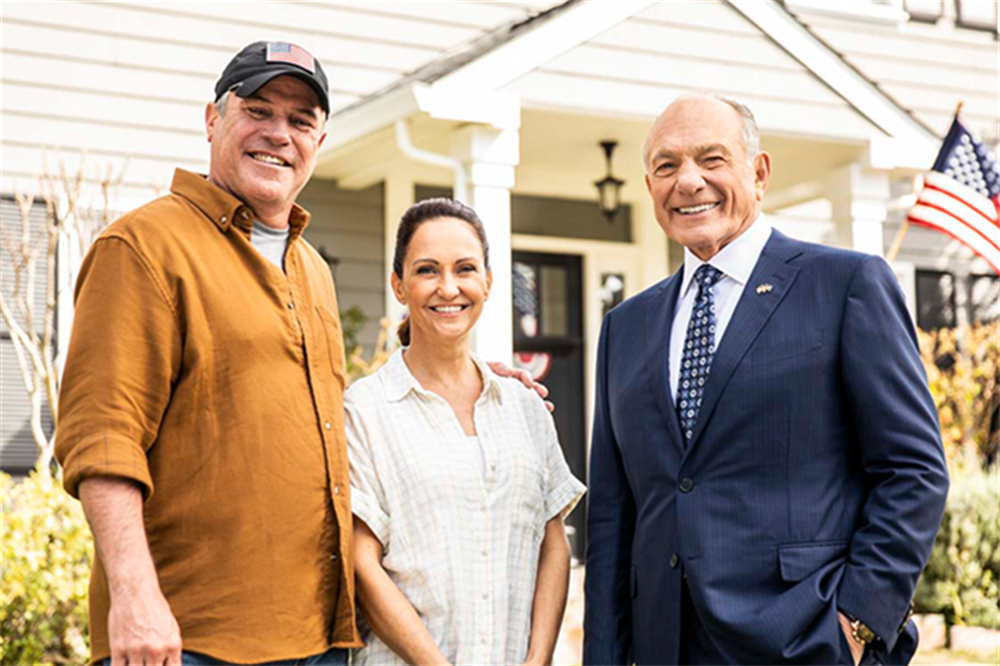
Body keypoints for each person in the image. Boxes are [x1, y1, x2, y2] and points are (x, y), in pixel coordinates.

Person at [582, 94, 949, 666]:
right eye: (666, 165)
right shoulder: (624, 327)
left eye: (711, 159)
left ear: (758, 173)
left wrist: (856, 624)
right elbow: (611, 516)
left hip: (805, 641)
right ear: (649, 186)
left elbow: (914, 470)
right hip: (664, 646)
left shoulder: (846, 286)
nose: (688, 181)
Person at [54, 41, 359, 666]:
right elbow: (102, 437)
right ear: (213, 119)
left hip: (316, 637)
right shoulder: (142, 247)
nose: (279, 134)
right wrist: (134, 597)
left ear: (319, 143)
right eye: (258, 111)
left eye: (300, 121)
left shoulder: (313, 270)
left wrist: (463, 379)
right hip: (183, 638)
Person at [346, 198, 586, 666]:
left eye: (465, 269)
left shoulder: (525, 408)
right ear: (399, 285)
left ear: (488, 282)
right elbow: (361, 564)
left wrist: (537, 661)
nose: (449, 287)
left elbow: (553, 546)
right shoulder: (365, 409)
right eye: (427, 270)